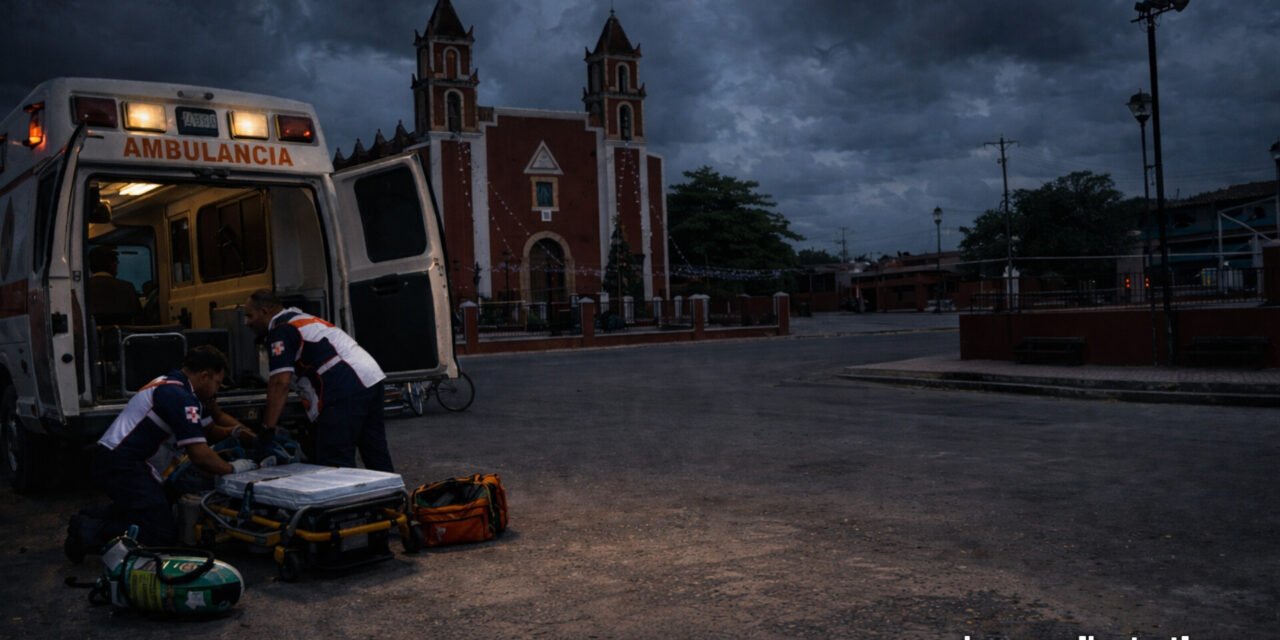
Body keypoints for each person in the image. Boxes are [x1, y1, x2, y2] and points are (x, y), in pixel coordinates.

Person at [65, 346, 257, 559]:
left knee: (146, 508)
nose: (216, 390)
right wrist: (232, 469)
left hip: (116, 459)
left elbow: (206, 430)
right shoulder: (179, 397)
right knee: (160, 533)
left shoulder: (172, 386)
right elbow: (200, 455)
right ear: (205, 376)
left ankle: (92, 517)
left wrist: (236, 432)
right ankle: (87, 530)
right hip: (124, 464)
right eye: (217, 383)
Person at [243, 289, 393, 472]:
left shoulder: (281, 330)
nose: (246, 322)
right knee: (375, 452)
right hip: (370, 377)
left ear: (264, 312)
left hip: (344, 384)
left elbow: (280, 382)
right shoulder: (299, 318)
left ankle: (343, 490)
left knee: (335, 462)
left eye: (249, 316)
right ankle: (392, 490)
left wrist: (267, 430)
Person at [87, 245, 142, 325]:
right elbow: (139, 318)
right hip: (122, 332)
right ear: (113, 265)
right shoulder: (127, 287)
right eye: (116, 262)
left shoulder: (84, 288)